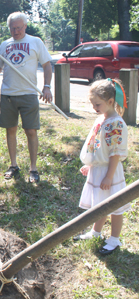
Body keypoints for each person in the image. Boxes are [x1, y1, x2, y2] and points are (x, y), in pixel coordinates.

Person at [0, 11, 53, 183]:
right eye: (12, 28)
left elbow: (47, 65)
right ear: (9, 28)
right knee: (10, 129)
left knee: (31, 130)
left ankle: (33, 168)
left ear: (25, 26)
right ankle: (13, 165)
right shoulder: (4, 45)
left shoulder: (35, 42)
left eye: (18, 28)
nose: (16, 31)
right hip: (8, 95)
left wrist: (46, 87)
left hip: (29, 94)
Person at [73, 79, 130, 255]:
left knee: (115, 207)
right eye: (92, 104)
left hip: (109, 171)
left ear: (110, 102)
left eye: (97, 104)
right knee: (100, 205)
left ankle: (114, 239)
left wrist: (109, 176)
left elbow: (114, 153)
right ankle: (95, 233)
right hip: (100, 169)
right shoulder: (102, 119)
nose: (94, 108)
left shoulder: (115, 123)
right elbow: (98, 146)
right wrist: (91, 165)